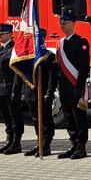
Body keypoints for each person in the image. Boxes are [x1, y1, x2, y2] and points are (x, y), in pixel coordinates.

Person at [56, 11, 91, 160]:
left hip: (76, 87)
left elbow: (83, 68)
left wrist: (79, 87)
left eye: (66, 23)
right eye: (61, 23)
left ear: (73, 24)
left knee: (79, 117)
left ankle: (81, 147)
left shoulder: (81, 42)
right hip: (64, 87)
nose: (63, 26)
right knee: (69, 117)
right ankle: (73, 144)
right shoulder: (60, 43)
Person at [21, 29, 57, 157]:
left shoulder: (49, 56)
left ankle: (46, 145)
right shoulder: (29, 55)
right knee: (36, 120)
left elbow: (54, 77)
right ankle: (39, 142)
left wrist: (49, 93)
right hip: (31, 93)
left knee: (46, 120)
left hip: (43, 94)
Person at [0, 23, 24, 154]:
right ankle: (8, 141)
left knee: (15, 116)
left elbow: (17, 72)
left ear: (10, 34)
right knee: (6, 117)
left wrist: (15, 91)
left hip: (10, 87)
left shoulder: (15, 49)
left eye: (2, 33)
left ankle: (16, 143)